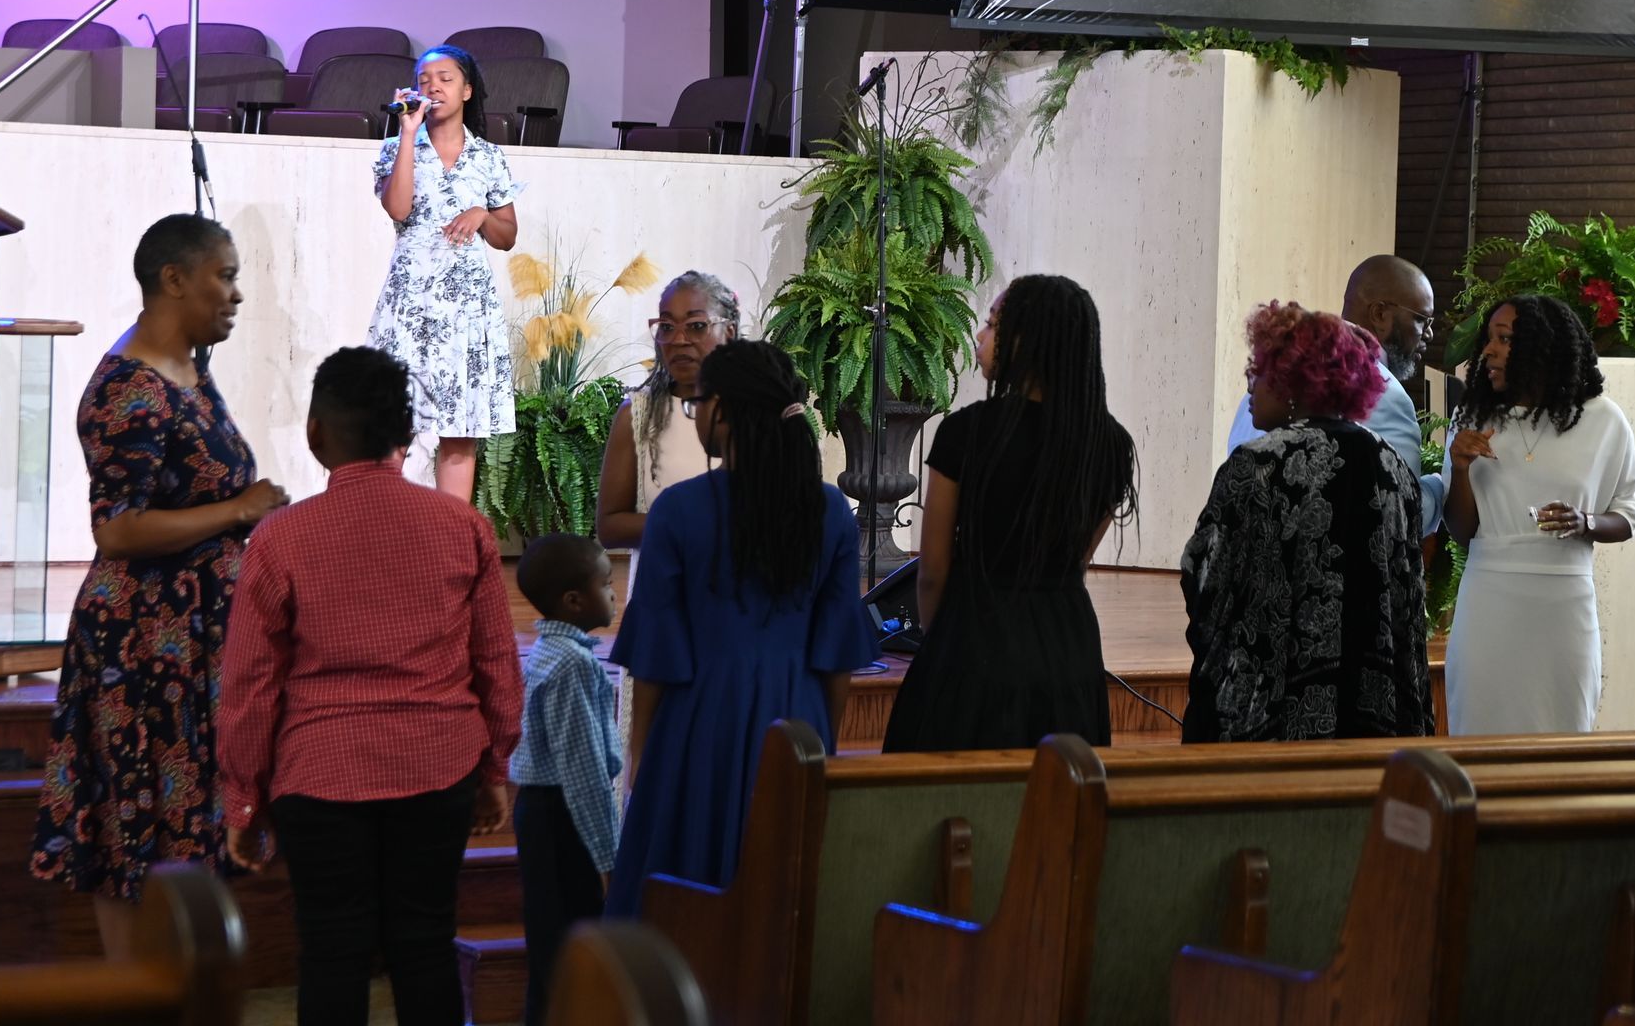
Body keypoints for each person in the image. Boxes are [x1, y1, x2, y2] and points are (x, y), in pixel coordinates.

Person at [216, 347, 523, 1026]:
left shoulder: (280, 539)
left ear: (315, 433)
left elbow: (249, 685)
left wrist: (244, 797)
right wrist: (494, 766)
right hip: (438, 765)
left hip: (317, 776)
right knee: (426, 945)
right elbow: (496, 662)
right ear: (406, 435)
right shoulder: (463, 527)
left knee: (332, 952)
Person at [29, 214, 288, 959]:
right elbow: (117, 529)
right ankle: (140, 995)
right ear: (174, 280)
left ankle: (190, 991)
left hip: (197, 634)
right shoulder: (127, 389)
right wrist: (239, 511)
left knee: (195, 820)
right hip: (143, 642)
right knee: (134, 830)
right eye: (225, 276)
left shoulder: (189, 369)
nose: (236, 294)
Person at [605, 339, 874, 917]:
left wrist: (641, 754)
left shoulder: (677, 510)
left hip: (700, 718)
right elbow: (837, 657)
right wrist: (825, 746)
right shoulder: (830, 511)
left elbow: (655, 654)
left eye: (698, 403)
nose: (695, 414)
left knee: (685, 890)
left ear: (722, 411)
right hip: (798, 718)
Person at [881, 274, 1139, 752]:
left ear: (1026, 339)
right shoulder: (1111, 444)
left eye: (992, 324)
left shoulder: (966, 431)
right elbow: (1077, 560)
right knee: (1058, 785)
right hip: (1067, 645)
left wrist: (943, 643)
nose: (980, 335)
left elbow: (932, 570)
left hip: (974, 635)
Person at [1181, 302, 1431, 741]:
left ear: (1294, 379)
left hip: (1273, 714)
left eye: (1260, 370)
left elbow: (1206, 575)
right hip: (1372, 718)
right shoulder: (1392, 467)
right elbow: (1408, 596)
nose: (1250, 385)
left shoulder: (1257, 464)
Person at [1444, 294, 1635, 735]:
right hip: (1488, 603)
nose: (1488, 351)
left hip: (1564, 607)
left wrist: (1585, 522)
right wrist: (1459, 469)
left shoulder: (1604, 420)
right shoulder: (1472, 415)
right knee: (1480, 732)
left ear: (1541, 347)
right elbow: (1461, 531)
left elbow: (1628, 514)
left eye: (1504, 339)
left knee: (1562, 734)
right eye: (1489, 339)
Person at [369, 44, 521, 500]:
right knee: (395, 421)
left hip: (467, 306)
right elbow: (398, 209)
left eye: (445, 78)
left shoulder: (488, 156)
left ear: (467, 90)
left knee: (460, 428)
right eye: (424, 80)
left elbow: (507, 236)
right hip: (410, 301)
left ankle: (451, 537)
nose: (432, 87)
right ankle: (379, 529)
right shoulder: (397, 147)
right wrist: (408, 133)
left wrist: (481, 214)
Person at [1226, 254, 1445, 536]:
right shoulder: (1386, 393)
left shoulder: (1272, 378)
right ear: (1380, 314)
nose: (1429, 334)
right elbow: (1399, 515)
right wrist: (1438, 488)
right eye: (1421, 319)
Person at [508, 533, 623, 1026]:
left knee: (551, 945)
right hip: (562, 816)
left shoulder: (550, 651)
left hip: (544, 811)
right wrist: (608, 857)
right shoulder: (572, 663)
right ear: (574, 601)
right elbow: (583, 771)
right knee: (568, 948)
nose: (614, 594)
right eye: (607, 583)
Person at [594, 269, 741, 591]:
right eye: (666, 327)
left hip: (743, 596)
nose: (678, 339)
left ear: (729, 332)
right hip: (660, 596)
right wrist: (698, 525)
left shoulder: (757, 410)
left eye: (696, 326)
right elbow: (610, 527)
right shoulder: (637, 414)